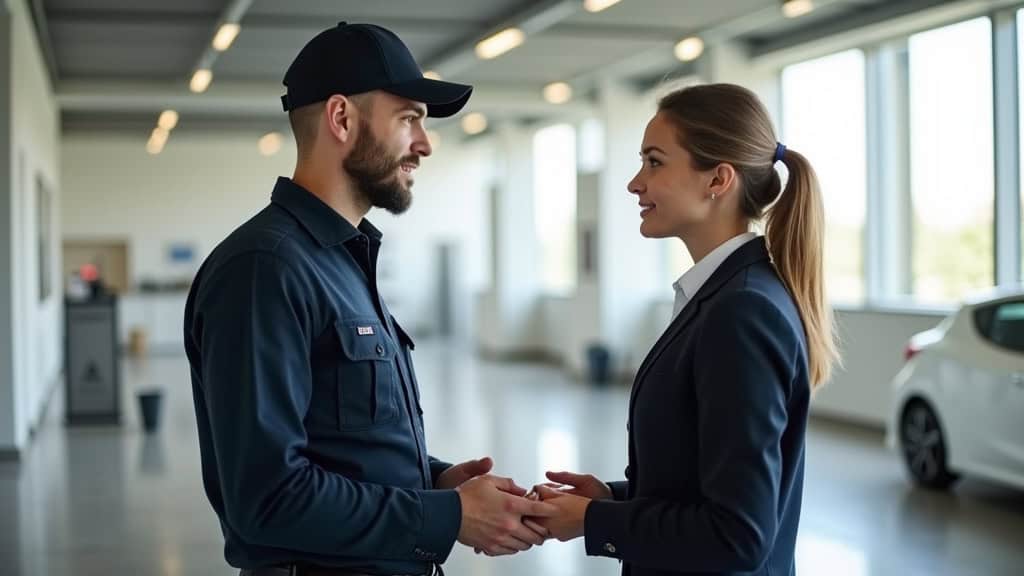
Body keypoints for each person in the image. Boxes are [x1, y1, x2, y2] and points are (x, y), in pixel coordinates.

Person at [183, 22, 554, 576]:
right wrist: (448, 517)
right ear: (341, 119)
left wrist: (432, 481)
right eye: (409, 119)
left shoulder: (339, 258)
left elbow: (338, 445)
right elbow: (266, 499)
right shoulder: (266, 269)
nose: (425, 145)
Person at [532, 83, 840, 576]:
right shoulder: (731, 294)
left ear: (717, 179)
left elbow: (737, 534)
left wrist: (594, 521)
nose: (636, 183)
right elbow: (705, 483)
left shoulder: (741, 311)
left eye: (654, 162)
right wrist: (610, 500)